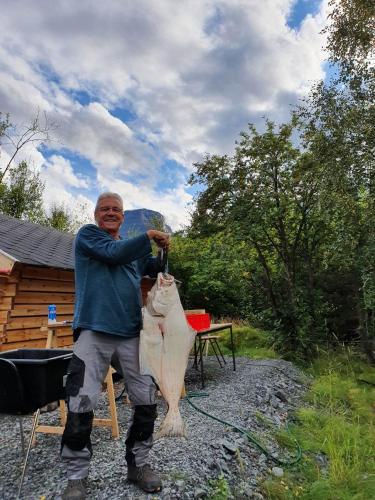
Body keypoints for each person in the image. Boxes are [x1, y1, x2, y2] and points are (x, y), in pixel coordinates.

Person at [61, 192, 170, 500]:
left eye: (116, 210)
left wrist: (162, 255)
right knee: (80, 401)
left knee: (146, 397)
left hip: (132, 334)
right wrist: (148, 235)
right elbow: (114, 253)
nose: (110, 212)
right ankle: (76, 478)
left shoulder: (131, 251)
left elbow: (151, 269)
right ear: (96, 214)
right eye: (105, 209)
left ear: (122, 216)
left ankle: (138, 465)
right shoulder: (88, 236)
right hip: (93, 331)